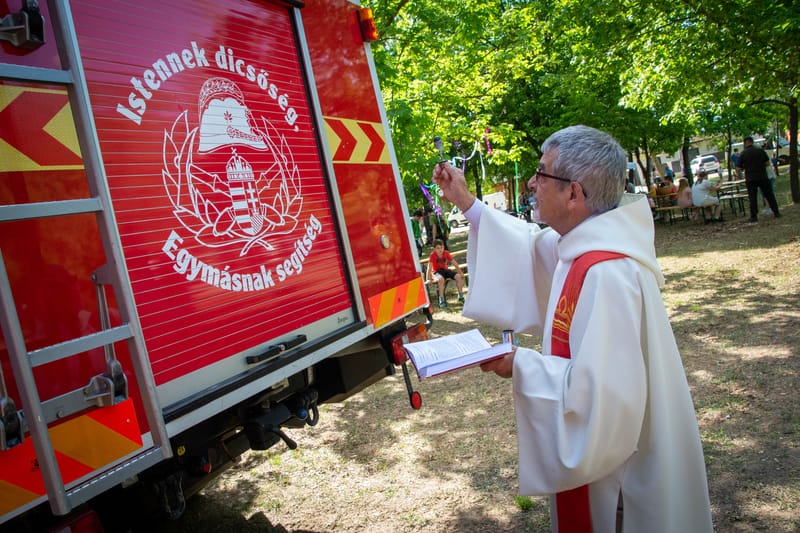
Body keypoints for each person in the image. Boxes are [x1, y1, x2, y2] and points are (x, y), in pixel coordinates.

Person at [432, 125, 713, 533]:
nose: (532, 182)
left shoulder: (608, 274)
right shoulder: (579, 245)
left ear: (574, 193)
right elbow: (527, 247)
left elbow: (603, 400)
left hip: (621, 486)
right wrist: (466, 201)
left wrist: (520, 364)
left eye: (542, 173)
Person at [737, 136, 782, 222]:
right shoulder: (760, 151)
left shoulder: (743, 153)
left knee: (752, 197)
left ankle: (754, 216)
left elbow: (739, 168)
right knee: (769, 195)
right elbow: (768, 163)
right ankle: (776, 212)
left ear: (745, 143)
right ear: (752, 142)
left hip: (750, 178)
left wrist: (745, 167)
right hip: (762, 176)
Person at [426, 238, 464, 308]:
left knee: (458, 276)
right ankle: (441, 300)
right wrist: (428, 278)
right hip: (436, 272)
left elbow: (454, 263)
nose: (440, 250)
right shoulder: (432, 255)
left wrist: (460, 272)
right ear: (434, 249)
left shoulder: (446, 253)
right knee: (441, 280)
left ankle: (460, 296)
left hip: (445, 270)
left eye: (442, 247)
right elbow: (429, 268)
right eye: (438, 248)